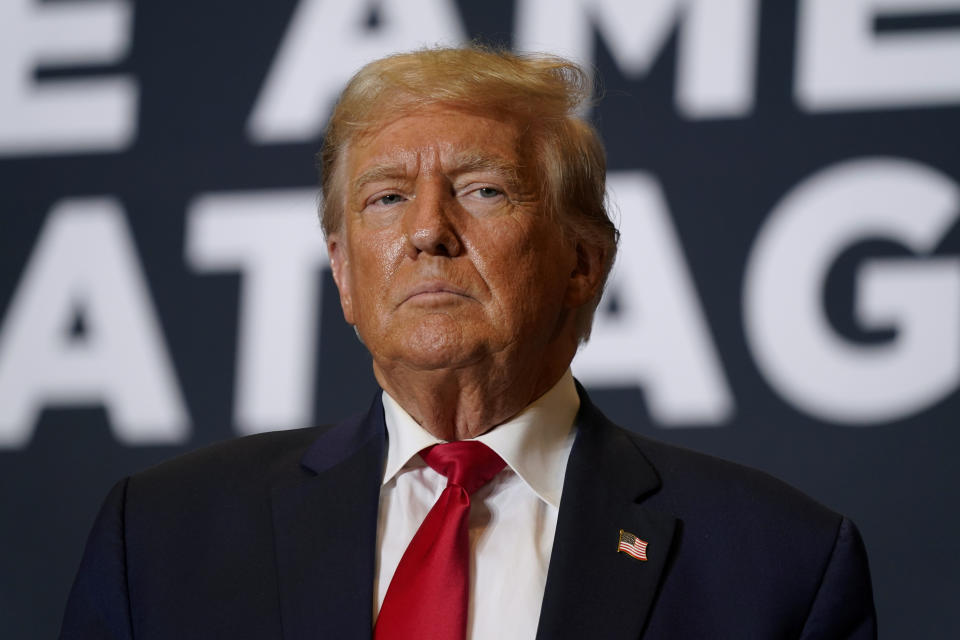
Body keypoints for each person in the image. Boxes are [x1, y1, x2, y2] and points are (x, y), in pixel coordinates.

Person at [61, 47, 876, 639]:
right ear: (343, 273)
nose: (426, 231)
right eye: (384, 198)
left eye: (482, 190)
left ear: (583, 263)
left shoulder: (780, 566)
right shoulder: (165, 537)